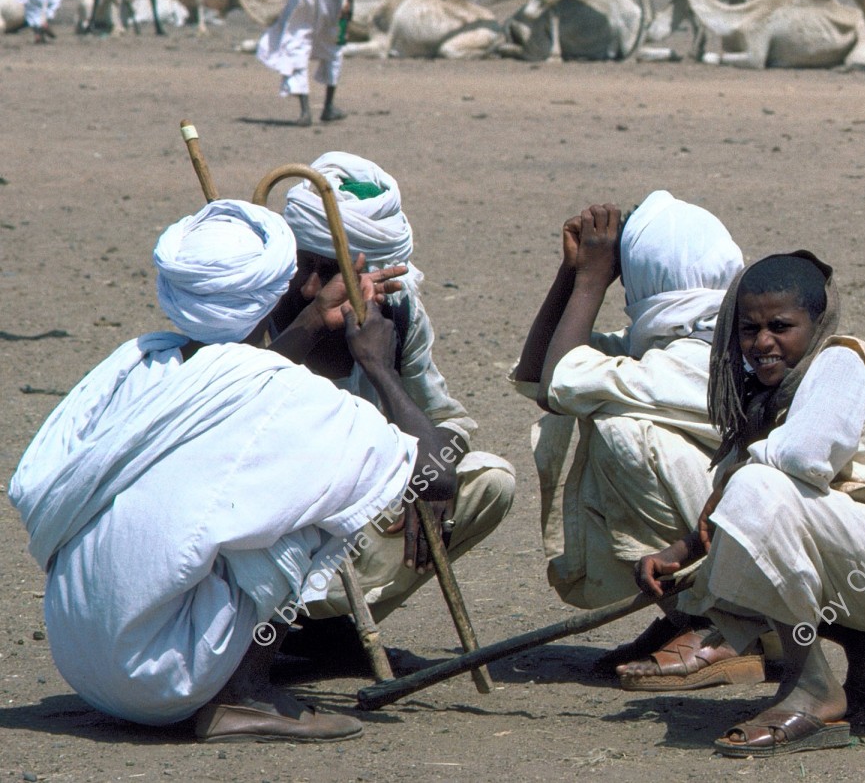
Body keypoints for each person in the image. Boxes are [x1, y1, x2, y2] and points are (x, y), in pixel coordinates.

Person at [7, 199, 455, 742]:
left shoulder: (134, 363)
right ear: (274, 290)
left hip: (83, 663)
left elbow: (242, 376)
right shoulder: (284, 393)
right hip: (166, 680)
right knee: (319, 487)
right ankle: (243, 695)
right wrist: (379, 366)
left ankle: (231, 674)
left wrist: (313, 321)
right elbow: (437, 476)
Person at [635, 252, 865, 757]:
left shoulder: (838, 361)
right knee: (732, 543)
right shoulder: (763, 402)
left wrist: (736, 480)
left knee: (756, 491)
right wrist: (683, 550)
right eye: (749, 329)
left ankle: (811, 687)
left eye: (781, 326)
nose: (762, 342)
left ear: (817, 324)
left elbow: (806, 458)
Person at [267, 152, 515, 656]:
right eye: (302, 265)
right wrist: (311, 323)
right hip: (266, 525)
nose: (311, 287)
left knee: (489, 480)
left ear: (374, 278)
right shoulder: (256, 303)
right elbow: (234, 406)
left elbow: (448, 423)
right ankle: (256, 636)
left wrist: (378, 367)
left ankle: (329, 629)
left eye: (329, 270)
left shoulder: (396, 319)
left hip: (346, 526)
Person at [513, 191, 761, 689]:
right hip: (740, 531)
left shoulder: (694, 356)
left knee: (619, 431)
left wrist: (589, 281)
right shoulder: (677, 337)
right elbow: (539, 373)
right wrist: (572, 274)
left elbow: (559, 383)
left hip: (753, 542)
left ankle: (725, 628)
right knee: (613, 417)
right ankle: (691, 615)